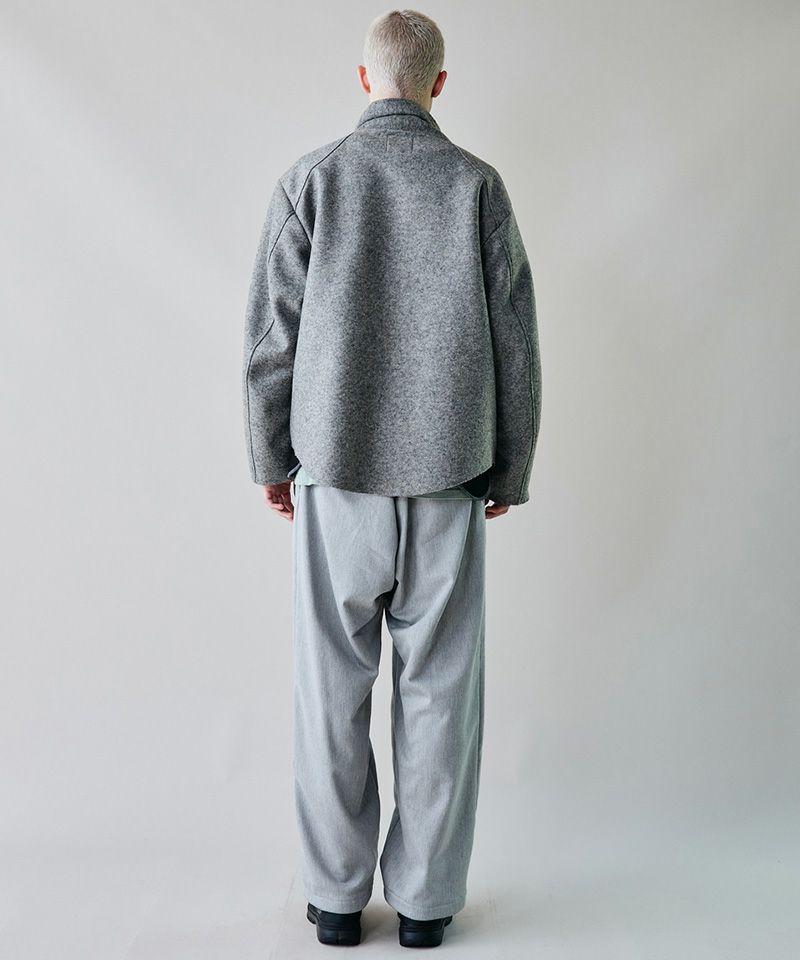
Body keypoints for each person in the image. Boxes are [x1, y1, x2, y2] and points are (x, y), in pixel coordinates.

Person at [241, 8, 542, 949]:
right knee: (441, 697)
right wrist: (510, 465)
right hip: (451, 478)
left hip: (337, 474)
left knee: (330, 693)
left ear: (365, 77)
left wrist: (270, 458)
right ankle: (426, 906)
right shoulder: (477, 186)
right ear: (438, 84)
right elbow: (516, 342)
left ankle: (335, 903)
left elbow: (271, 342)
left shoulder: (313, 180)